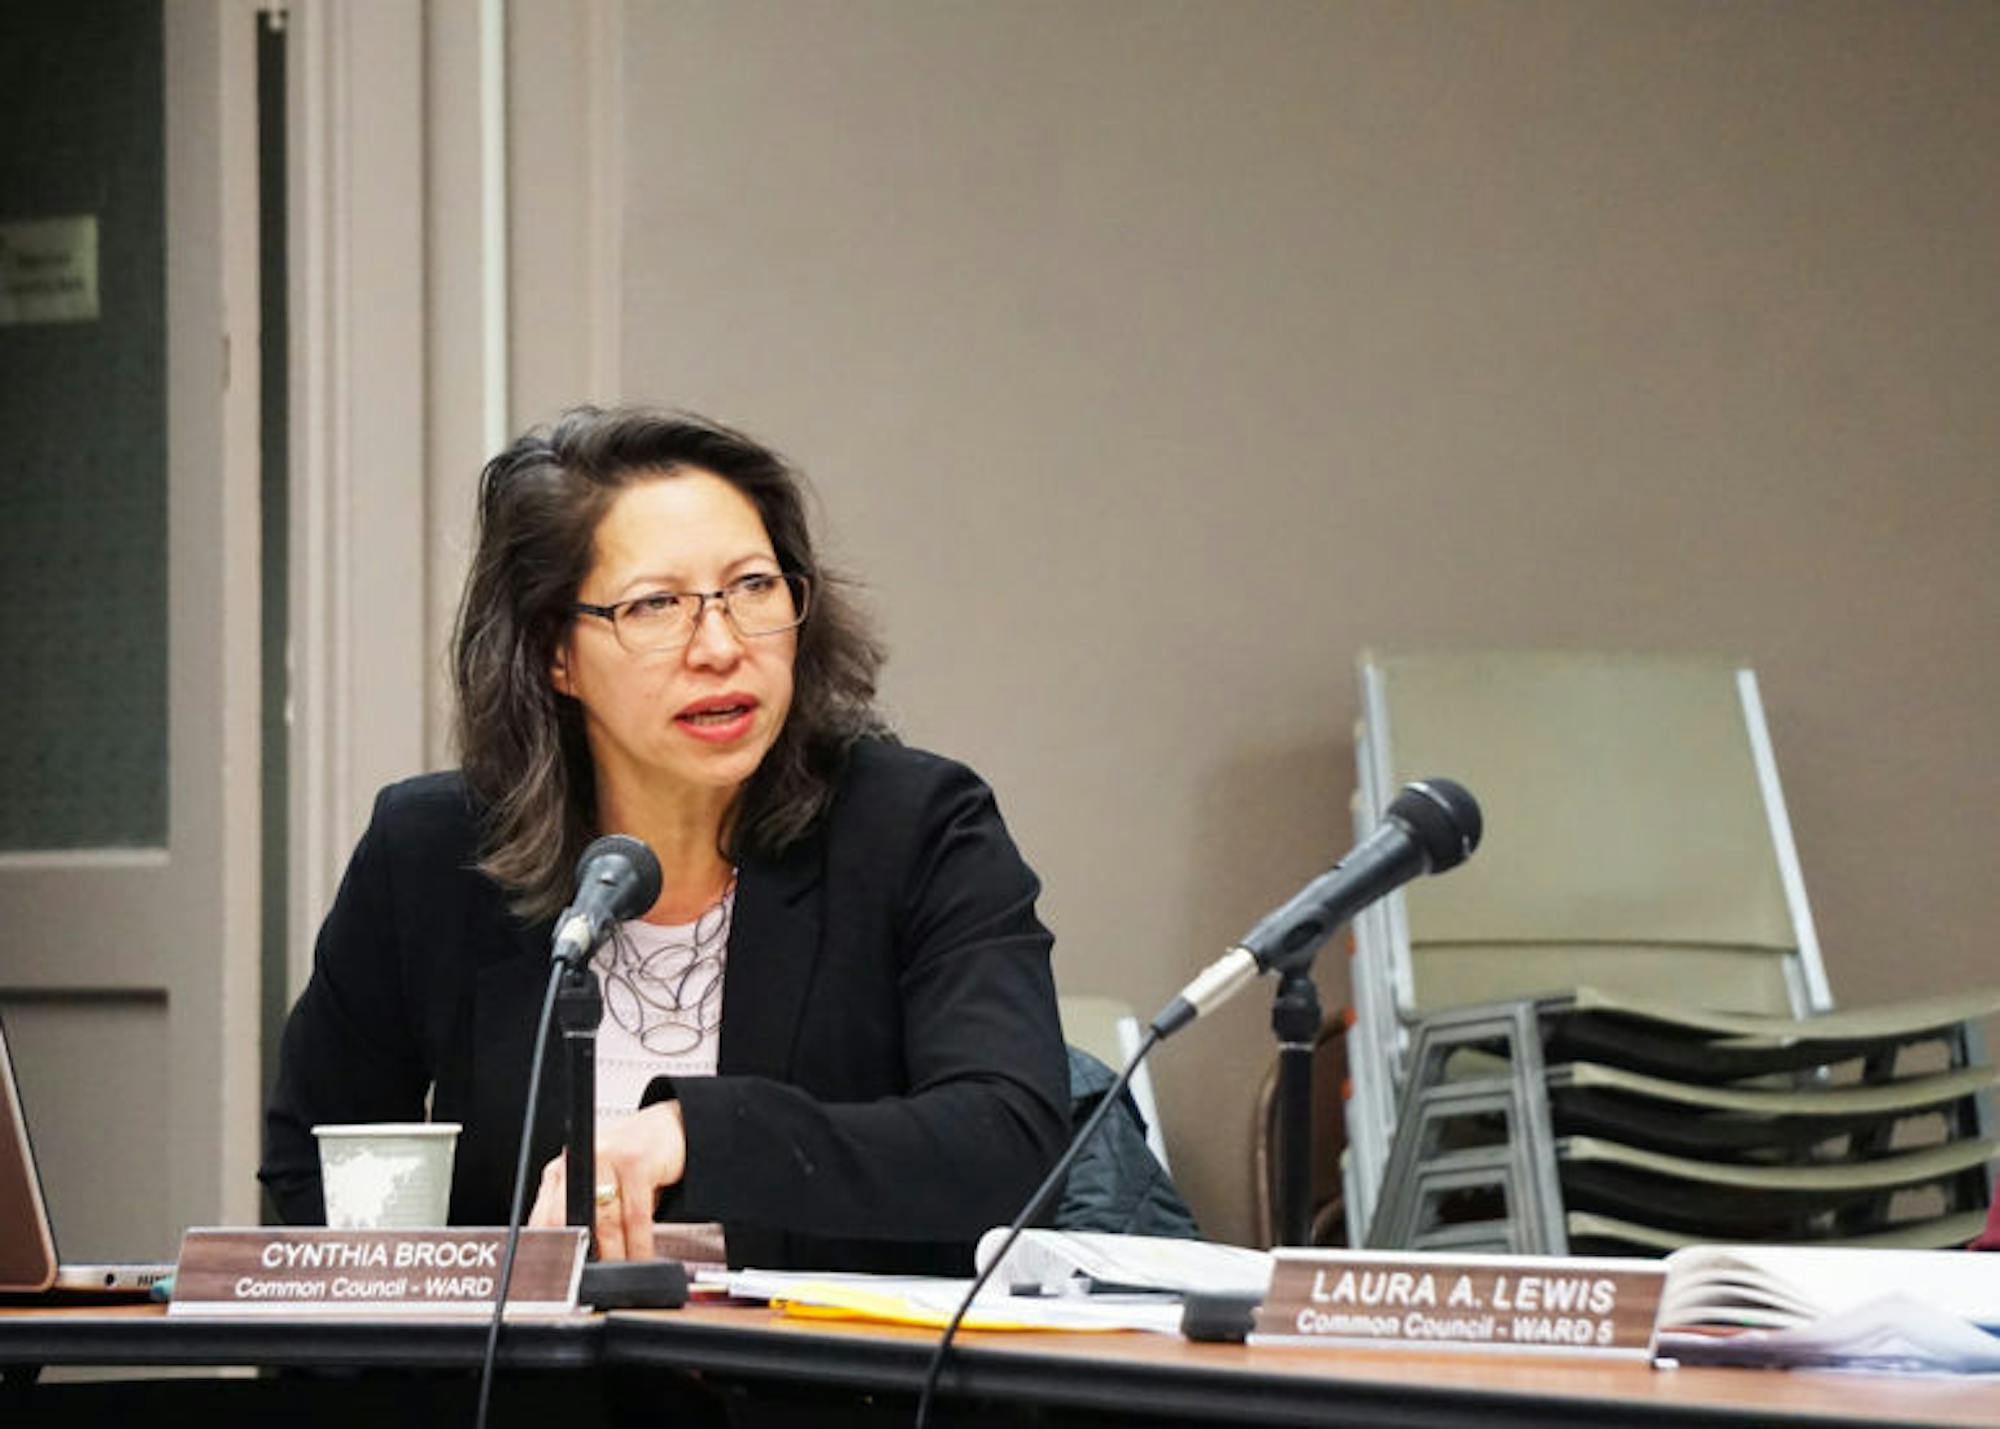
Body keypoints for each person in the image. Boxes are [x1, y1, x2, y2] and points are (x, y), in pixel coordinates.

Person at [260, 406, 1070, 1274]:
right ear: (553, 654)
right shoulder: (430, 853)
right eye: (655, 605)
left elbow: (1013, 1145)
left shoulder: (916, 829)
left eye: (754, 587)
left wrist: (689, 1133)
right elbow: (312, 1163)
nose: (720, 646)